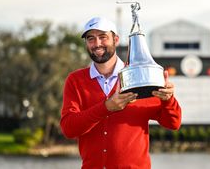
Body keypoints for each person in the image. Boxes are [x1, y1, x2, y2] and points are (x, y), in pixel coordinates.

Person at [60, 16, 182, 169]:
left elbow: (173, 123)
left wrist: (168, 99)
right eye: (91, 39)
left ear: (116, 40)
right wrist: (106, 107)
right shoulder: (76, 80)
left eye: (103, 37)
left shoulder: (141, 76)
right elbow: (69, 129)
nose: (97, 44)